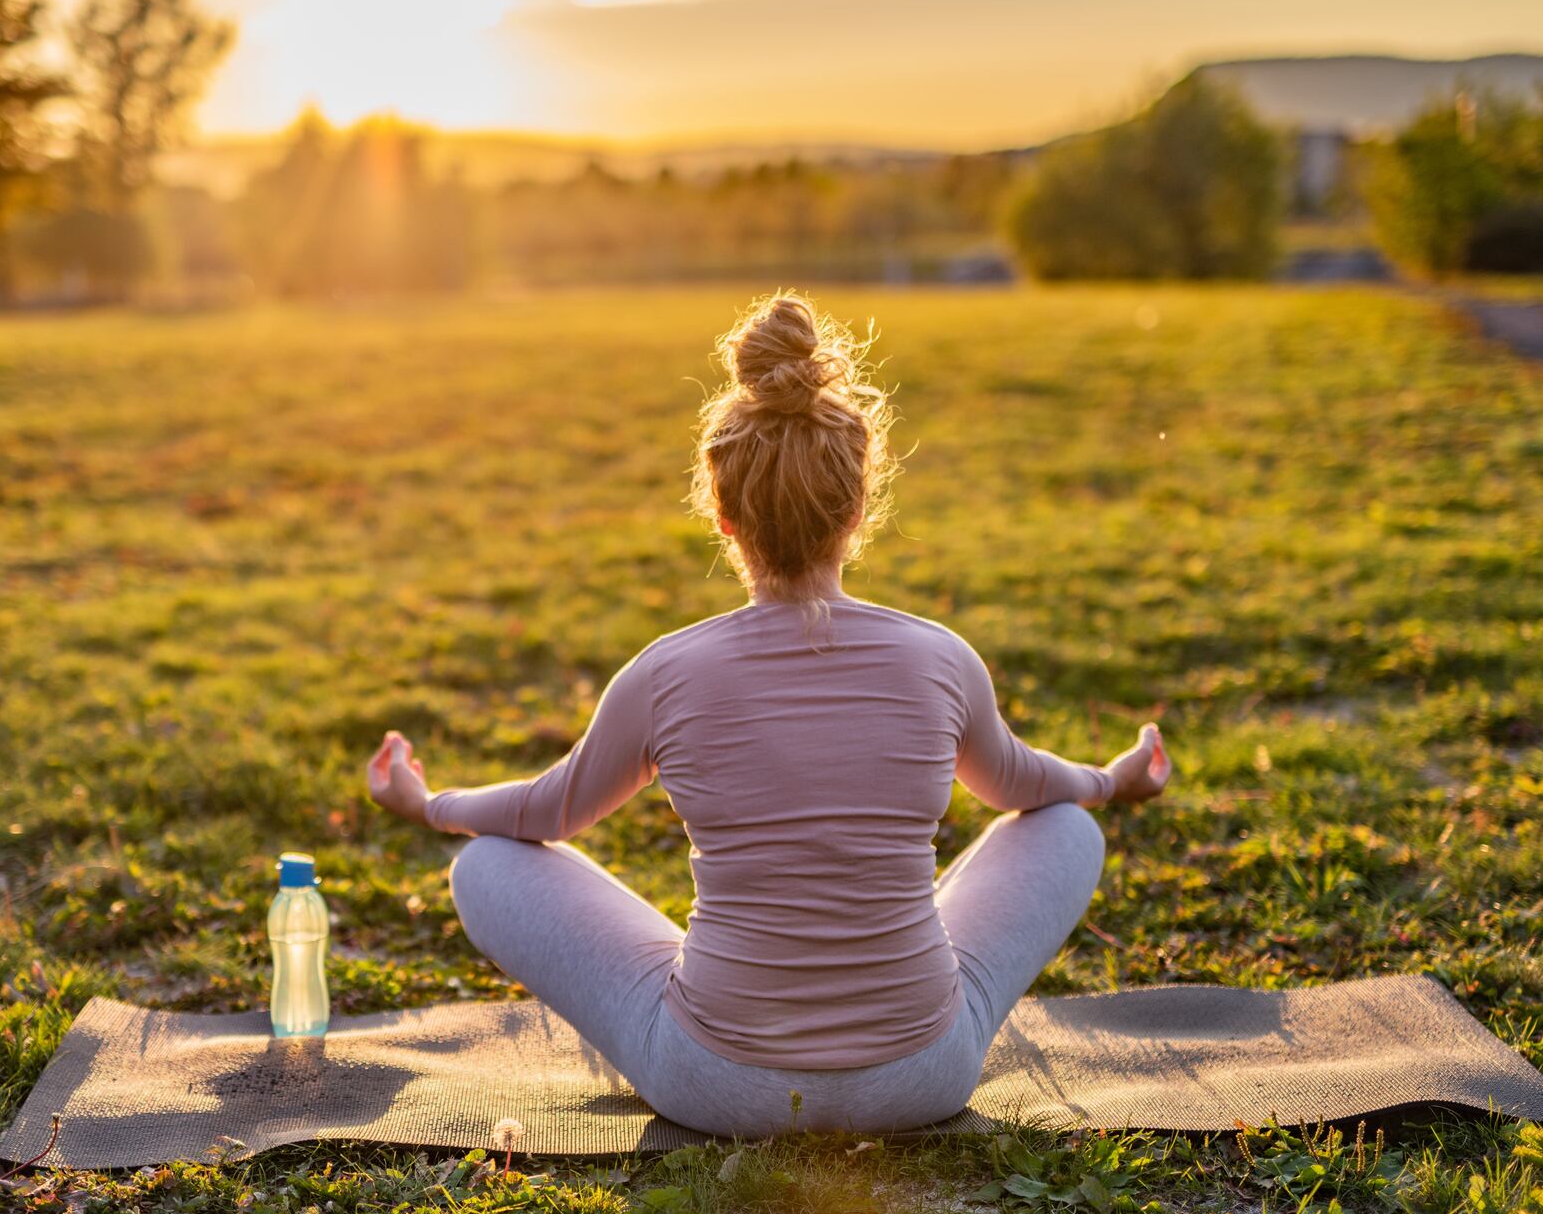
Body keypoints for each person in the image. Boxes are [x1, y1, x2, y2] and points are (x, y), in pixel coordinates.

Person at [365, 292, 1171, 1137]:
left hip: (716, 1087)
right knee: (1067, 824)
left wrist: (429, 804)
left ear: (721, 516)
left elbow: (546, 811)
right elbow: (1022, 786)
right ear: (857, 511)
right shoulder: (939, 658)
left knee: (485, 862)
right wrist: (1108, 781)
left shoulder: (664, 672)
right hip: (922, 1077)